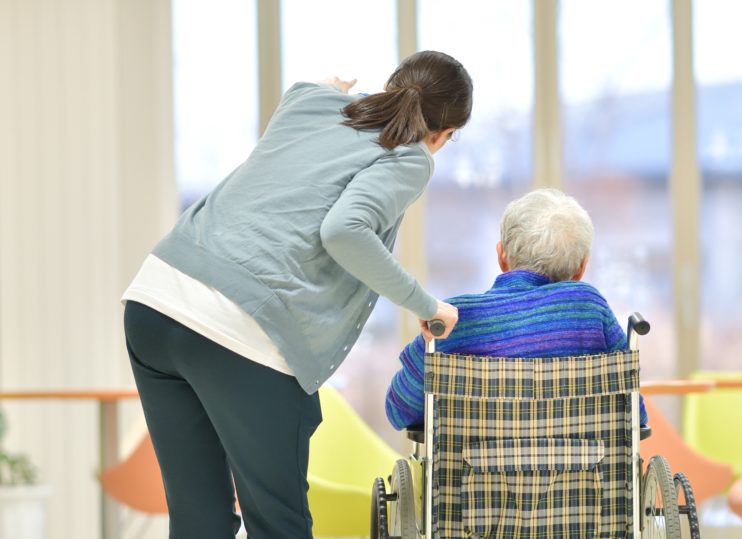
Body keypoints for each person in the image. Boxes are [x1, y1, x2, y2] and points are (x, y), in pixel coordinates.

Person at [120, 50, 471, 538]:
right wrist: (427, 305)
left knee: (199, 517)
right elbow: (345, 230)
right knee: (278, 524)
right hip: (239, 326)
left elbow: (309, 96)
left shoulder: (309, 101)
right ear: (444, 133)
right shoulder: (411, 156)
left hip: (157, 299)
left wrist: (325, 87)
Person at [385, 188, 648, 430]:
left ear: (502, 256)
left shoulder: (454, 319)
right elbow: (636, 414)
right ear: (582, 267)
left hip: (472, 477)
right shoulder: (588, 308)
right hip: (584, 476)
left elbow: (398, 411)